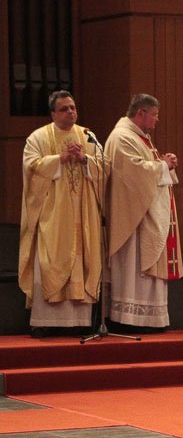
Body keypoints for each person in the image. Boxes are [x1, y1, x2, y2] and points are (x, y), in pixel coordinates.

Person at [18, 90, 104, 337]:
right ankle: (45, 322)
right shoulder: (39, 137)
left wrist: (85, 159)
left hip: (82, 212)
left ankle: (79, 322)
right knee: (50, 260)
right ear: (53, 113)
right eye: (64, 109)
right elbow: (31, 168)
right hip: (53, 215)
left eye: (73, 107)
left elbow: (104, 168)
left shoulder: (87, 136)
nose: (70, 112)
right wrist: (60, 159)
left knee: (80, 259)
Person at [106, 94, 183, 332]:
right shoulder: (122, 137)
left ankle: (149, 319)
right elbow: (133, 173)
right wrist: (163, 166)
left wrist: (164, 162)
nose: (157, 120)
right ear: (141, 113)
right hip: (133, 218)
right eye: (155, 115)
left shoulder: (139, 137)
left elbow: (147, 167)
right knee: (135, 267)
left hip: (145, 213)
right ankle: (130, 320)